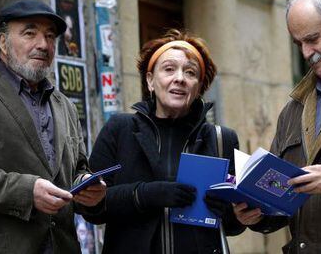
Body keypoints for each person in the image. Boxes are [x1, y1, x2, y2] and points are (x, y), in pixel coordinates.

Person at [0, 0, 106, 254]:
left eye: (50, 36)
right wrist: (26, 192)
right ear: (3, 43)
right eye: (30, 33)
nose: (43, 44)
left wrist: (86, 185)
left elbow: (76, 168)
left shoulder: (65, 106)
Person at [84, 29, 245, 253]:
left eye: (190, 73)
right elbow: (91, 208)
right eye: (169, 69)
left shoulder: (222, 139)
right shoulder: (120, 129)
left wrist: (229, 211)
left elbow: (235, 223)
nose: (179, 78)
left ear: (199, 87)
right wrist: (144, 195)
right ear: (150, 80)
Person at [234, 0, 321, 253]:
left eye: (312, 39)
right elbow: (277, 191)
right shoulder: (293, 110)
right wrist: (256, 213)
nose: (306, 53)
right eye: (298, 43)